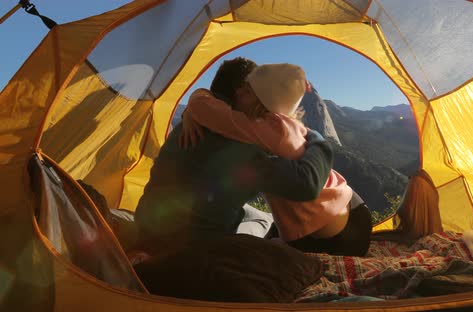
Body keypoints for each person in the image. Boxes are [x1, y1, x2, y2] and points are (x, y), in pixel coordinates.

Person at [133, 58, 334, 257]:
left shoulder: (190, 123)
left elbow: (202, 100)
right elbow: (306, 184)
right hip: (194, 248)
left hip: (146, 226)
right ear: (242, 92)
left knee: (245, 210)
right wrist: (317, 140)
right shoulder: (244, 148)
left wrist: (189, 111)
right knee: (264, 221)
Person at [181, 63, 372, 256]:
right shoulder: (287, 123)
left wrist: (190, 111)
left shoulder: (257, 127)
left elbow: (200, 104)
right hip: (351, 210)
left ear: (261, 101)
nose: (239, 93)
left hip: (338, 240)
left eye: (247, 90)